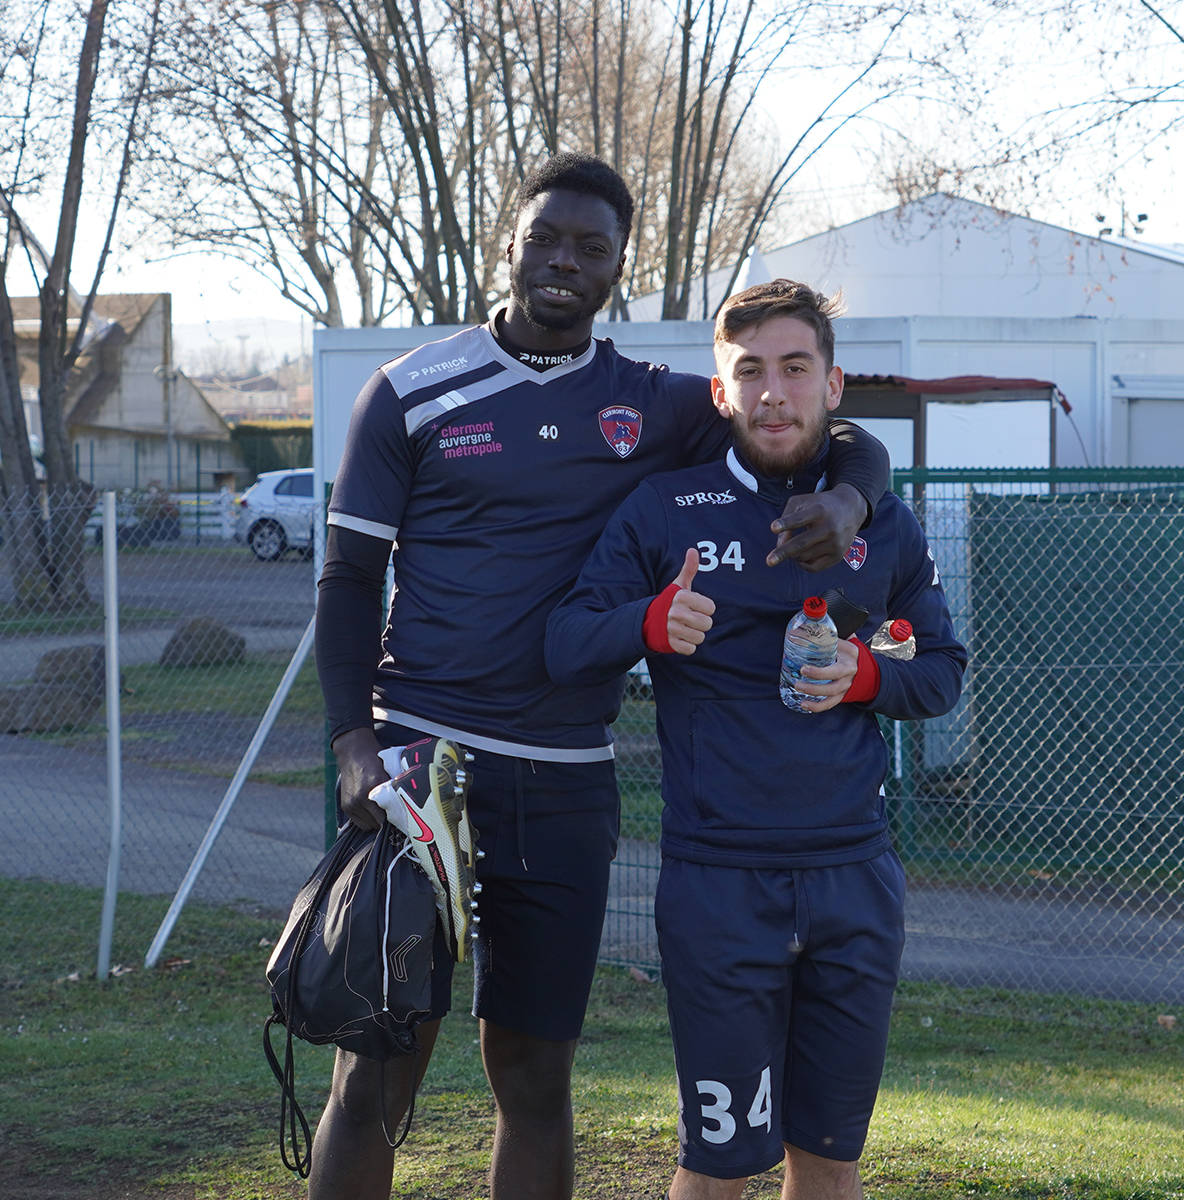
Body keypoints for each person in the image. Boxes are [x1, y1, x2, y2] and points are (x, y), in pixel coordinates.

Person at [314, 154, 891, 1200]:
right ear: (509, 243)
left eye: (592, 248)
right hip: (417, 769)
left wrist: (849, 505)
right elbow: (348, 577)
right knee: (378, 1069)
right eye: (547, 239)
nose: (565, 263)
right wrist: (355, 744)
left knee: (533, 1078)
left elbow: (818, 424)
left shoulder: (654, 405)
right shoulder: (407, 391)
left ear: (620, 265)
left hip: (564, 780)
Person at [546, 280, 967, 1198]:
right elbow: (566, 639)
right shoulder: (666, 509)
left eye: (795, 368)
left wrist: (866, 677)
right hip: (720, 883)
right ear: (720, 392)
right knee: (721, 1164)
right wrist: (650, 626)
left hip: (855, 878)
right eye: (751, 371)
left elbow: (941, 672)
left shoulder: (880, 522)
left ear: (833, 385)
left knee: (831, 1161)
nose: (774, 391)